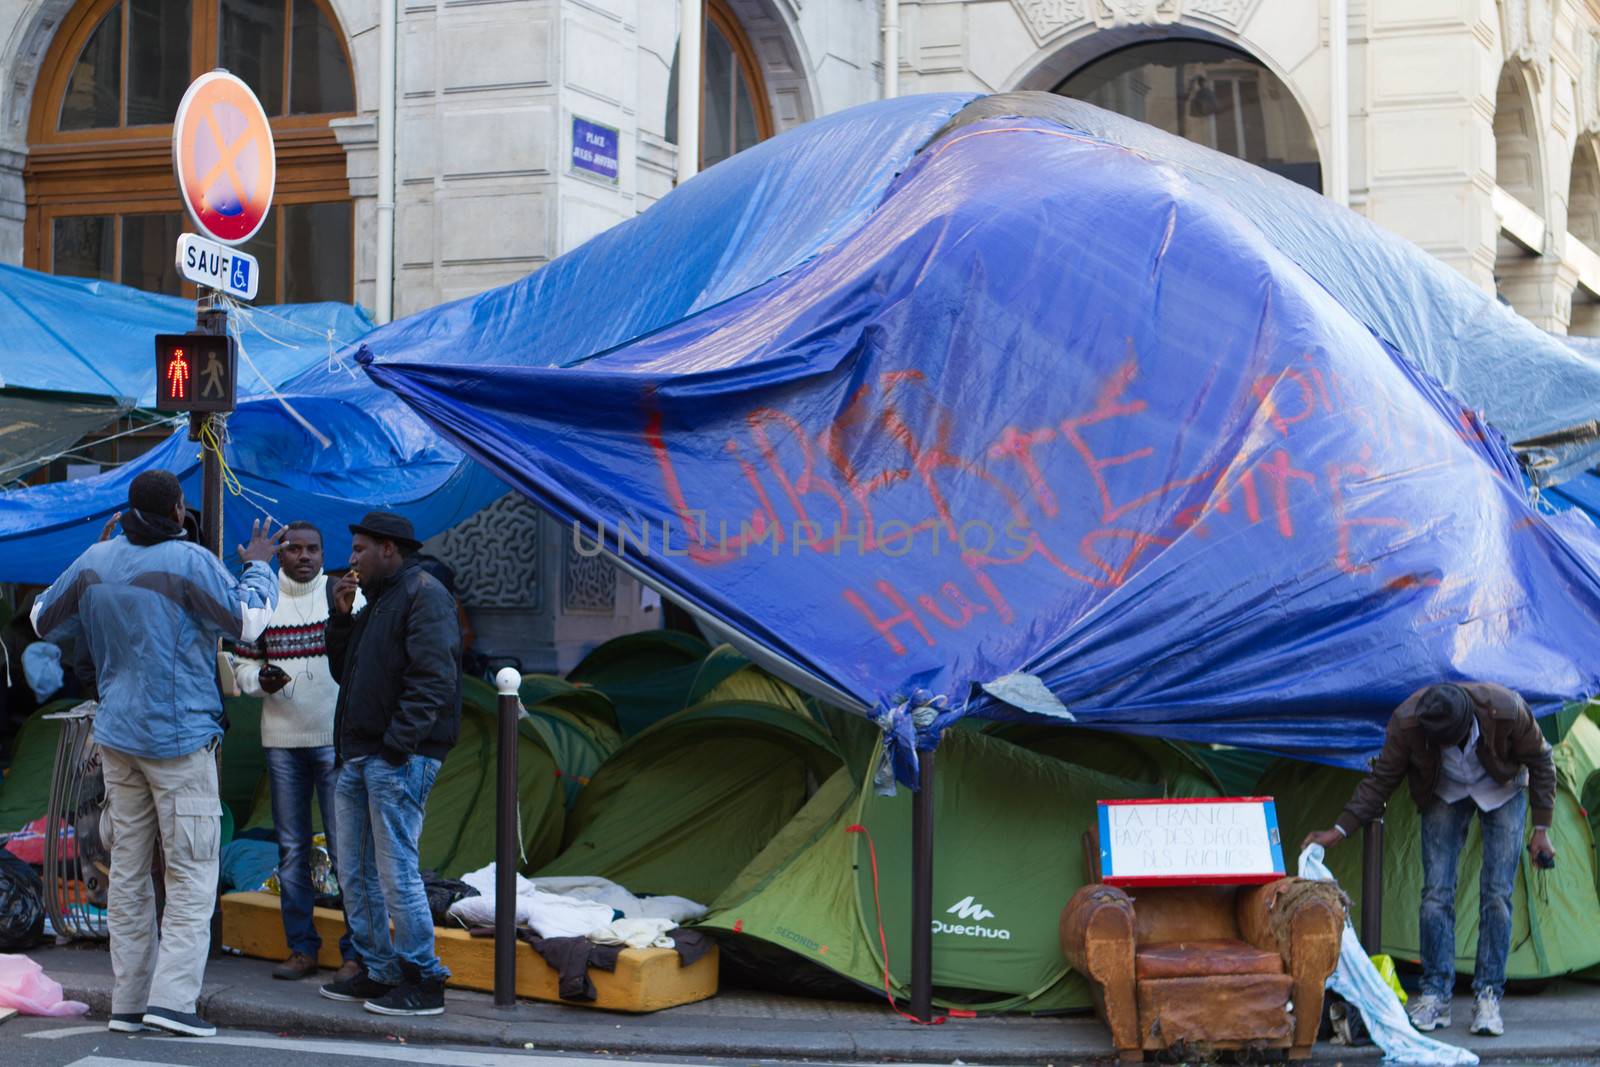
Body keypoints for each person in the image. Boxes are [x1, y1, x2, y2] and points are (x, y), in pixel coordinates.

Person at [31, 470, 281, 1038]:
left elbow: (42, 620)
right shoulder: (189, 561)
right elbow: (246, 622)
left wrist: (95, 560)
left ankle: (129, 1001)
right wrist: (260, 563)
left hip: (117, 737)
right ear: (176, 508)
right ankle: (171, 1003)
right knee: (192, 870)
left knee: (128, 872)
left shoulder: (96, 560)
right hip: (178, 741)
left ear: (125, 511)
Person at [1302, 682, 1557, 1038]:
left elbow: (1542, 760)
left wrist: (1541, 827)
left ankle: (1488, 996)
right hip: (1445, 791)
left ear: (1469, 722)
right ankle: (1436, 994)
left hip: (1503, 788)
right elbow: (1382, 780)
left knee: (1497, 894)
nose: (1447, 746)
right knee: (1436, 894)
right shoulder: (1408, 721)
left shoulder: (1507, 709)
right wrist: (1339, 830)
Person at [319, 511, 461, 1016]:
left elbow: (433, 680)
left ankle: (424, 978)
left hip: (398, 757)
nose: (351, 559)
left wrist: (396, 748)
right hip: (360, 754)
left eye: (359, 549)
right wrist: (339, 619)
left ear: (389, 549)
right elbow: (346, 674)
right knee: (354, 872)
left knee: (396, 871)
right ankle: (379, 971)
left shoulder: (424, 593)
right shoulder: (376, 602)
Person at [230, 520, 363, 982]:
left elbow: (365, 660)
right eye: (295, 549)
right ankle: (302, 949)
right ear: (281, 555)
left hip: (333, 741)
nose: (305, 556)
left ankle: (355, 953)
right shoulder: (263, 599)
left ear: (325, 554)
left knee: (345, 851)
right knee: (291, 852)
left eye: (314, 548)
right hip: (282, 743)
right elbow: (237, 666)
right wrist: (257, 680)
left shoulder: (343, 595)